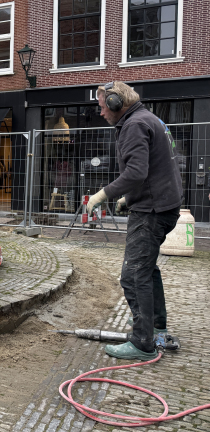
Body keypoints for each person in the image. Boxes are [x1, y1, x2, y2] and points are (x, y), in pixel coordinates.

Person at [87, 81, 183, 361]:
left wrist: (101, 195)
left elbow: (137, 172)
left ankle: (143, 342)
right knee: (147, 268)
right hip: (164, 205)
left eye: (103, 106)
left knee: (133, 275)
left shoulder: (133, 125)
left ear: (117, 104)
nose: (101, 112)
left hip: (152, 212)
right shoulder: (149, 118)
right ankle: (155, 323)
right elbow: (156, 167)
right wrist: (128, 199)